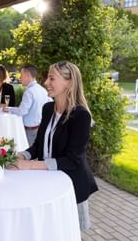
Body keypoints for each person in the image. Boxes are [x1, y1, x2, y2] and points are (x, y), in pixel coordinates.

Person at [9, 61, 98, 231]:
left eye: (52, 78)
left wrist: (29, 165)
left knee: (70, 232)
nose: (45, 83)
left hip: (70, 187)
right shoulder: (48, 108)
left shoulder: (81, 116)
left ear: (69, 83)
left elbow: (73, 160)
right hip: (47, 182)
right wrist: (21, 155)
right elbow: (38, 146)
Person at [6, 65, 51, 146]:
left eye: (21, 75)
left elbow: (22, 111)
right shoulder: (42, 90)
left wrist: (9, 109)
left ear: (28, 75)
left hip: (30, 131)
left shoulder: (29, 92)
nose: (20, 78)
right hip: (39, 128)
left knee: (29, 155)